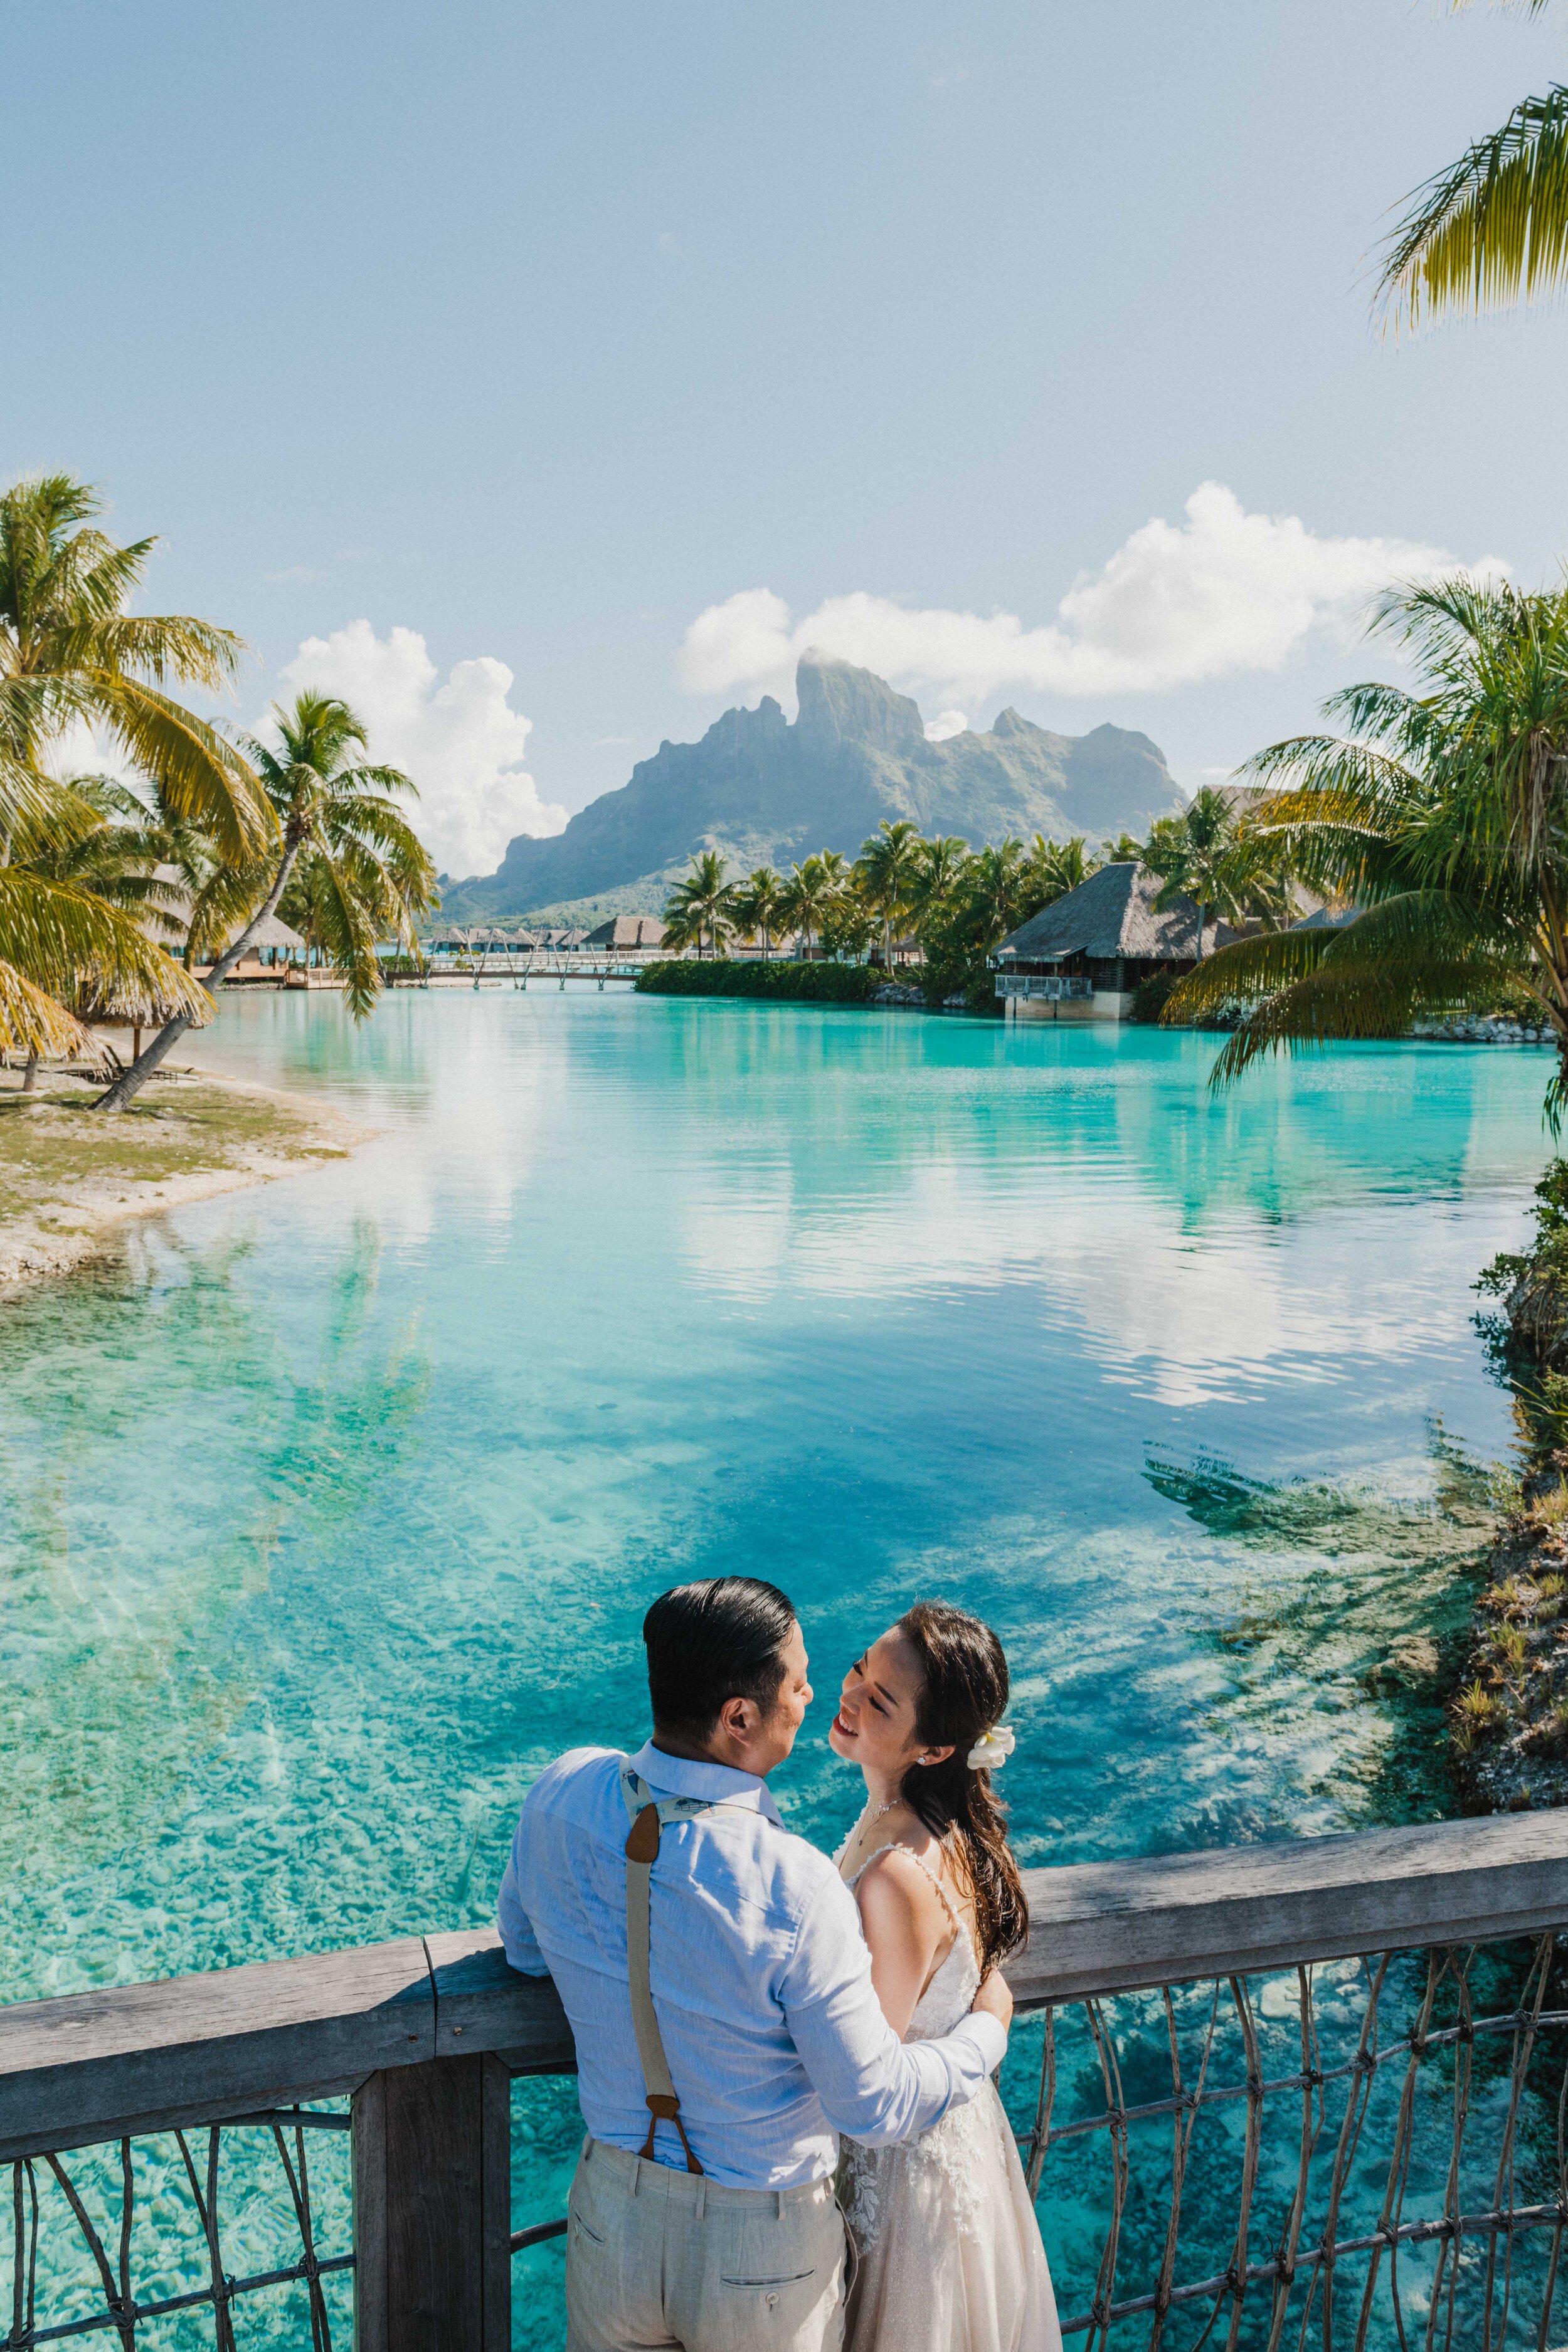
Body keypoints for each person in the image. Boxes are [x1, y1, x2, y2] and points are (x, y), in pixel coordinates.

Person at [497, 1576, 1014, 2352]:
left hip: (609, 2214)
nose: (816, 1696)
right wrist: (986, 2033)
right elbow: (869, 2105)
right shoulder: (794, 1884)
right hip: (760, 2253)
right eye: (800, 1683)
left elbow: (524, 1950)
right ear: (739, 1716)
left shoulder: (558, 1791)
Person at [830, 1601, 1061, 2352]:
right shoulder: (944, 1832)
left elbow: (868, 2077)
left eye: (880, 1699)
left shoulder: (896, 1876)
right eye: (861, 1668)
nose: (851, 1693)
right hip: (960, 2146)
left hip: (899, 2192)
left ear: (933, 1750)